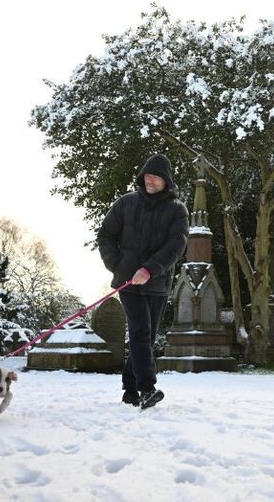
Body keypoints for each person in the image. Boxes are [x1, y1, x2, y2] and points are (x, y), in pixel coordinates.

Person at [97, 153, 188, 409]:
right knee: (139, 332)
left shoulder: (177, 210)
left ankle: (129, 389)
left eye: (156, 177)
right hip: (129, 283)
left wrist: (149, 269)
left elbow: (176, 245)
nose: (150, 181)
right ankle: (147, 388)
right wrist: (117, 265)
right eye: (147, 175)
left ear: (166, 181)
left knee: (145, 339)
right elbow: (105, 235)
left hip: (157, 283)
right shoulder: (125, 204)